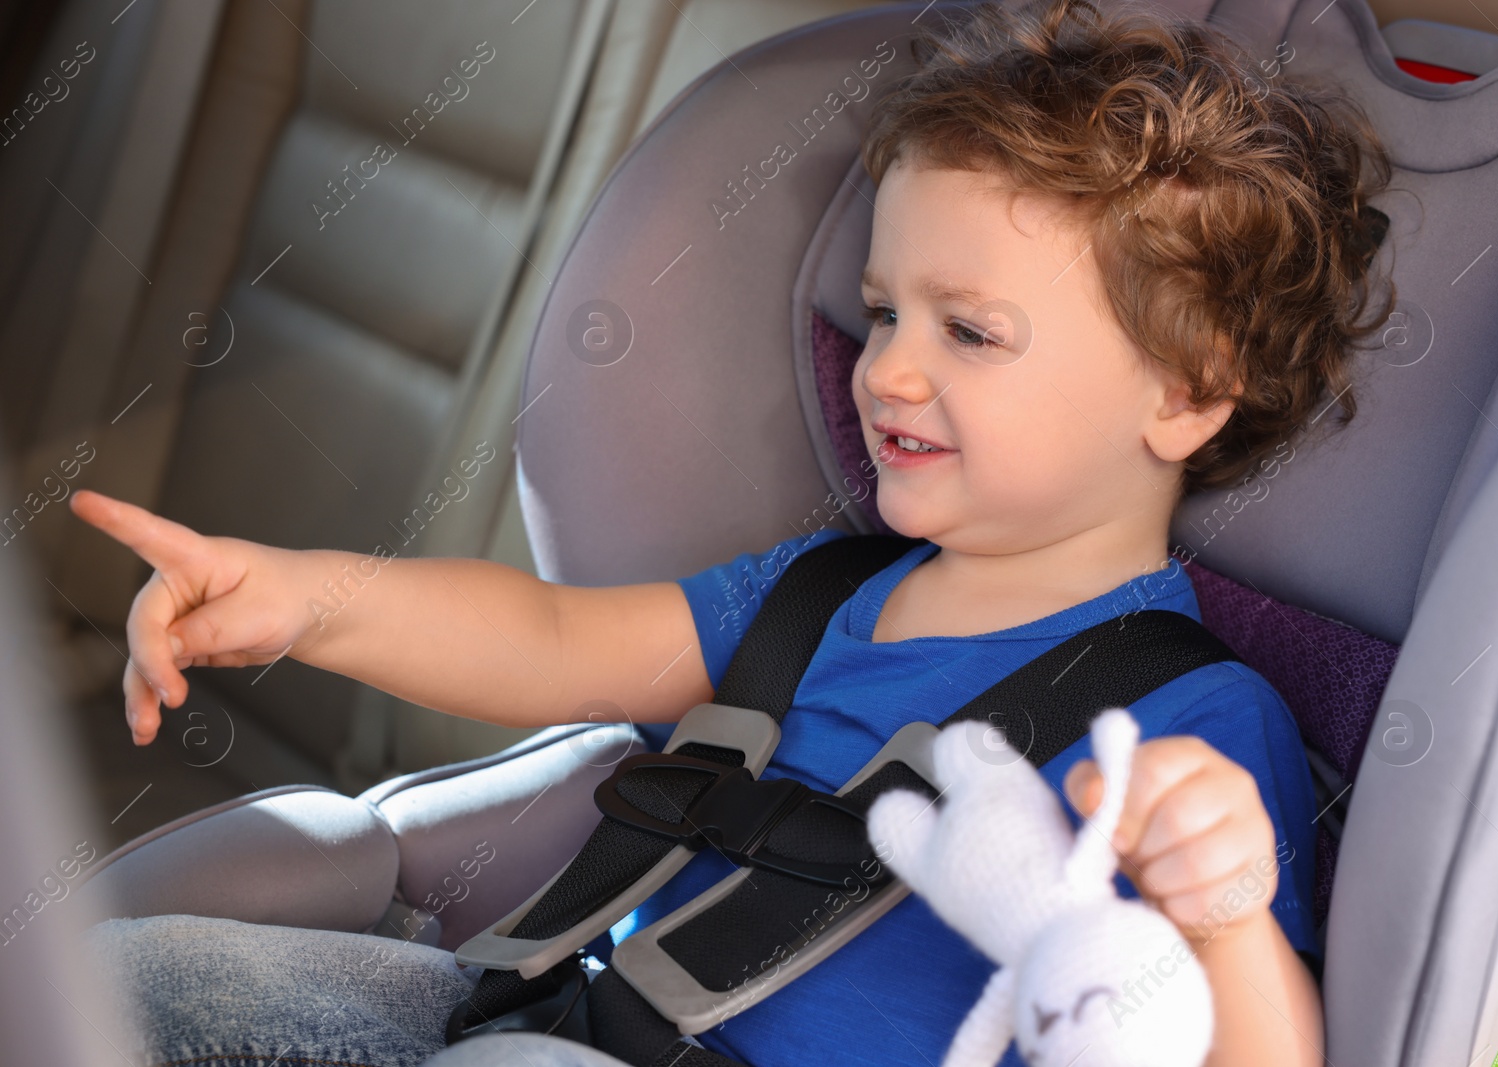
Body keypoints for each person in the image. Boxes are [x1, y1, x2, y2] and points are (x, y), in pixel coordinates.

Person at [70, 0, 1393, 1064]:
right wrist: (309, 602)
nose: (888, 372)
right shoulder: (821, 594)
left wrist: (1226, 923)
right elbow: (549, 639)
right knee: (123, 985)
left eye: (968, 332)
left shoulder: (1189, 726)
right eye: (882, 314)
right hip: (544, 1014)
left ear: (1187, 391)